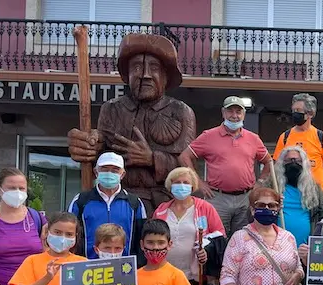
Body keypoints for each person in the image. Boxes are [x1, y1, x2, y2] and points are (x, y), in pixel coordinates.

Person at [67, 33, 196, 214]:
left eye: (154, 68)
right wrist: (88, 146)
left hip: (164, 205)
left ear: (166, 76)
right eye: (136, 67)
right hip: (118, 201)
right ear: (126, 74)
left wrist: (152, 158)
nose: (145, 75)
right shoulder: (112, 109)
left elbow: (188, 170)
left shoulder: (181, 111)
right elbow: (100, 151)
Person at [179, 96, 273, 235]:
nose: (234, 115)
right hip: (217, 197)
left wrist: (260, 183)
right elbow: (184, 157)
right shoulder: (208, 136)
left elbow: (269, 162)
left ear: (244, 115)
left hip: (245, 198)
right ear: (223, 113)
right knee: (215, 237)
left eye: (238, 112)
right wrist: (199, 182)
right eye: (230, 111)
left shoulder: (253, 138)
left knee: (243, 238)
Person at [68, 152, 147, 258]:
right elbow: (70, 233)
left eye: (115, 170)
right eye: (104, 169)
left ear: (122, 174)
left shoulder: (134, 203)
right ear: (96, 172)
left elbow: (141, 237)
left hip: (124, 269)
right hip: (88, 268)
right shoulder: (81, 201)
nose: (109, 173)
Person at [273, 93, 323, 207]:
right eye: (293, 110)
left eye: (298, 110)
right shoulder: (285, 137)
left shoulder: (321, 137)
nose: (295, 113)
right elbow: (277, 166)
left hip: (316, 196)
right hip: (291, 195)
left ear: (310, 114)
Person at [268, 145, 323, 247]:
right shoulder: (271, 186)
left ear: (304, 164)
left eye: (297, 161)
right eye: (289, 160)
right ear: (281, 164)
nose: (293, 163)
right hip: (276, 247)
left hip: (306, 249)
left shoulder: (315, 189)